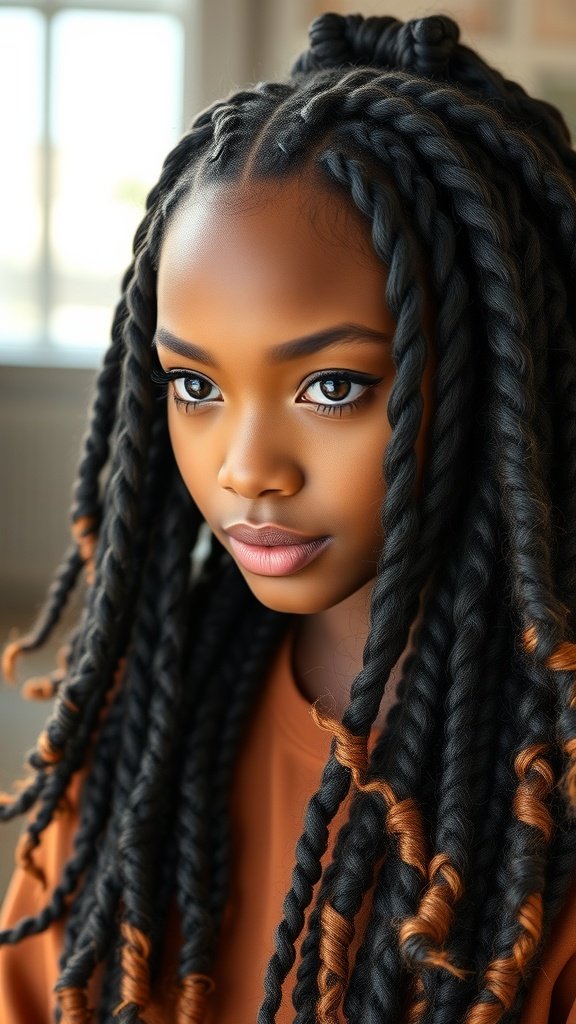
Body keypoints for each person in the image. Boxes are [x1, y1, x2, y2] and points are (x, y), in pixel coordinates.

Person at [1, 9, 576, 1024]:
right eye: (194, 385)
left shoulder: (550, 789)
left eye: (332, 387)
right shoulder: (139, 748)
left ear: (496, 378)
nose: (245, 468)